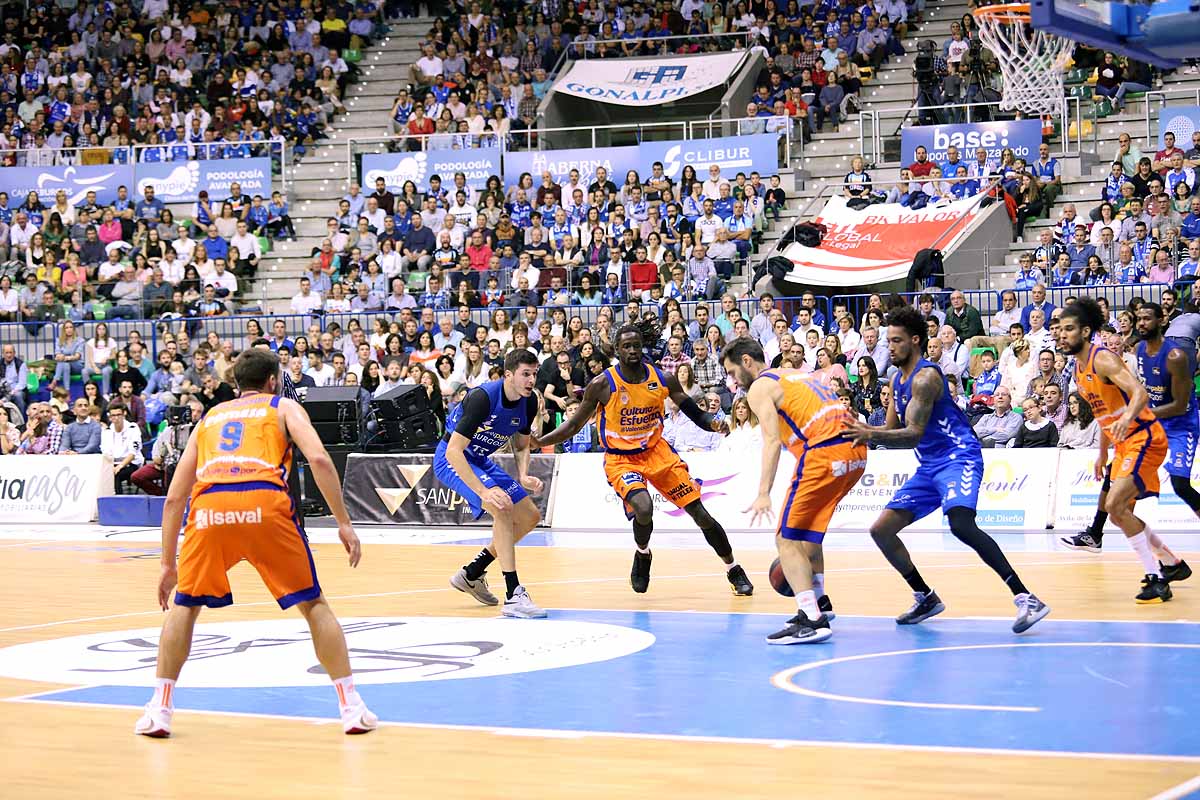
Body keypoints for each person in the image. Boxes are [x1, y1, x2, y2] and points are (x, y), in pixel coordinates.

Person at [134, 349, 376, 738]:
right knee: (313, 605)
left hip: (210, 506)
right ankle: (351, 707)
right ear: (272, 380)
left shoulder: (209, 418)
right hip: (264, 502)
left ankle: (159, 709)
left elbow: (175, 499)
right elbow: (320, 459)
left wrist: (167, 565)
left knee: (185, 606)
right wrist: (344, 523)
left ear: (235, 384)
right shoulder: (283, 407)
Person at [844, 307, 1050, 632]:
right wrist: (860, 431)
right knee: (880, 530)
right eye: (888, 340)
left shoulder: (926, 378)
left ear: (914, 341)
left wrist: (868, 434)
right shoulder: (896, 378)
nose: (890, 347)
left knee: (961, 524)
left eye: (896, 340)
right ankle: (924, 596)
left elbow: (912, 434)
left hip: (959, 456)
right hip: (929, 465)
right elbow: (891, 431)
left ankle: (1026, 597)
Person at [533, 317, 754, 596]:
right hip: (621, 459)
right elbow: (575, 424)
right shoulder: (602, 384)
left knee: (701, 514)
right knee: (644, 507)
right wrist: (541, 440)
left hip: (657, 453)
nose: (633, 350)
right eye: (626, 346)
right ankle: (643, 554)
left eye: (637, 345)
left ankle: (733, 568)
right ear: (616, 349)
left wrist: (712, 422)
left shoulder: (661, 377)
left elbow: (693, 412)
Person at [724, 338, 867, 644]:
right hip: (856, 452)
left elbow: (772, 441)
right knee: (808, 534)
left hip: (826, 451)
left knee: (786, 537)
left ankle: (811, 619)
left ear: (747, 361)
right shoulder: (793, 374)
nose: (732, 380)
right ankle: (820, 602)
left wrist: (764, 492)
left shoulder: (760, 387)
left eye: (733, 371)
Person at [1053, 298, 1183, 602]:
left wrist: (1126, 418)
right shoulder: (1078, 369)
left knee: (1113, 505)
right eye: (1060, 330)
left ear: (1086, 331)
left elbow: (1138, 393)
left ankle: (1156, 577)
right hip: (1124, 443)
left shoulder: (1104, 360)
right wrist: (1102, 454)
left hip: (1145, 437)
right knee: (1117, 512)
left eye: (1069, 329)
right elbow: (1104, 416)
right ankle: (1171, 564)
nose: (1062, 335)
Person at [439, 349, 547, 618]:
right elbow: (453, 451)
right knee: (502, 506)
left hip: (480, 459)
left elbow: (521, 445)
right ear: (508, 375)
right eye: (525, 374)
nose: (531, 380)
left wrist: (523, 475)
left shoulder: (529, 401)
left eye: (534, 374)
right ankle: (514, 595)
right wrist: (483, 491)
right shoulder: (482, 398)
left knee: (530, 517)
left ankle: (472, 573)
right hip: (452, 459)